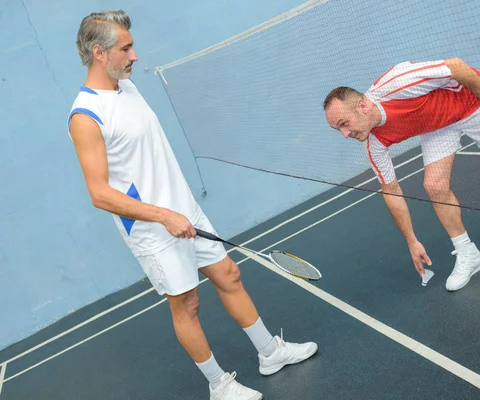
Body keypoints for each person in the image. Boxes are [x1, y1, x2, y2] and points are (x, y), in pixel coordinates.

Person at [68, 10, 317, 400]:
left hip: (184, 209)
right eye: (126, 48)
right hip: (153, 228)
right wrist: (163, 215)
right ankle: (219, 385)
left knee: (229, 275)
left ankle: (270, 352)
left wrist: (177, 208)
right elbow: (99, 193)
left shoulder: (127, 87)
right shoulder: (86, 116)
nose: (135, 56)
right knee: (187, 304)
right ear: (99, 53)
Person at [323, 58, 480, 292]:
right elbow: (391, 190)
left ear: (362, 106)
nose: (345, 134)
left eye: (344, 124)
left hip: (468, 102)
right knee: (434, 186)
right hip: (436, 125)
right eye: (338, 129)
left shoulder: (398, 84)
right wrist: (412, 240)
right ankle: (468, 253)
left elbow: (457, 66)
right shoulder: (372, 141)